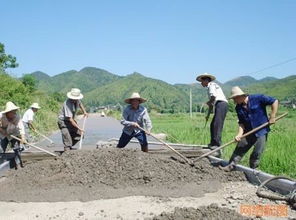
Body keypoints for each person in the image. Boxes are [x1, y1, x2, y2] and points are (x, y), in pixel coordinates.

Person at [220, 86, 279, 171]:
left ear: (240, 96)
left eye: (234, 99)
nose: (234, 101)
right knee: (240, 148)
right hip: (248, 131)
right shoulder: (238, 107)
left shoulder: (258, 98)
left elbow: (274, 101)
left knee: (257, 152)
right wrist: (239, 134)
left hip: (261, 131)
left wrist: (272, 116)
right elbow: (241, 123)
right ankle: (230, 166)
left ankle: (253, 170)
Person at [196, 73, 228, 157]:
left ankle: (217, 144)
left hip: (221, 104)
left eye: (202, 81)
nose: (201, 83)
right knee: (213, 124)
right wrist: (208, 115)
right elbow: (211, 103)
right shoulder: (209, 88)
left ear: (206, 80)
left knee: (217, 124)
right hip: (218, 105)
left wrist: (206, 103)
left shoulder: (212, 85)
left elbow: (213, 98)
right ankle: (213, 142)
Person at [0, 101, 26, 168]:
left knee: (17, 149)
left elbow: (21, 127)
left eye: (15, 111)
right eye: (13, 112)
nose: (14, 113)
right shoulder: (1, 116)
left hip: (14, 133)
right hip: (3, 134)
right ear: (8, 112)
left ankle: (19, 164)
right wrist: (2, 130)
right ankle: (1, 163)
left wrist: (23, 137)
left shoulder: (17, 117)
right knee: (1, 149)